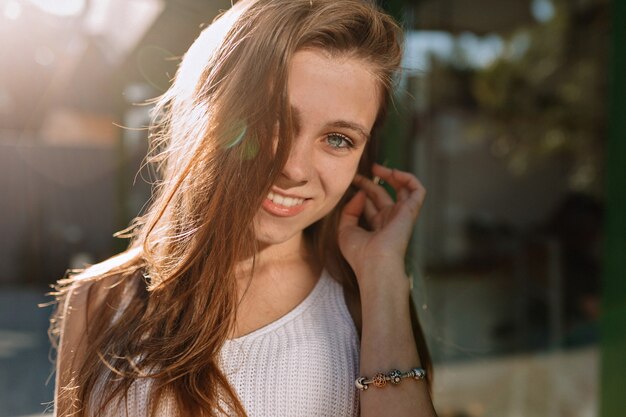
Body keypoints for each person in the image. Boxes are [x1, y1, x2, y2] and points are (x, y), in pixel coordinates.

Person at [50, 0, 437, 416]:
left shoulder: (367, 308)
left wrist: (382, 277)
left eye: (338, 139)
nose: (293, 168)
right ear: (209, 114)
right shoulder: (98, 301)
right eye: (273, 120)